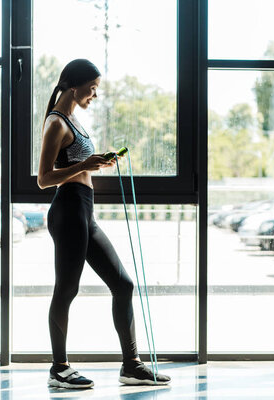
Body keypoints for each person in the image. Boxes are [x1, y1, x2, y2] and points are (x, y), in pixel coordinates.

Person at [37, 59, 171, 389]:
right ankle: (59, 368)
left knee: (123, 284)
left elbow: (80, 166)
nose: (94, 95)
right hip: (68, 210)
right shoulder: (56, 122)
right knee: (66, 290)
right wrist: (85, 164)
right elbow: (43, 179)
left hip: (84, 212)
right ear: (73, 86)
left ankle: (131, 366)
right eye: (92, 88)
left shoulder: (74, 120)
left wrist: (98, 162)